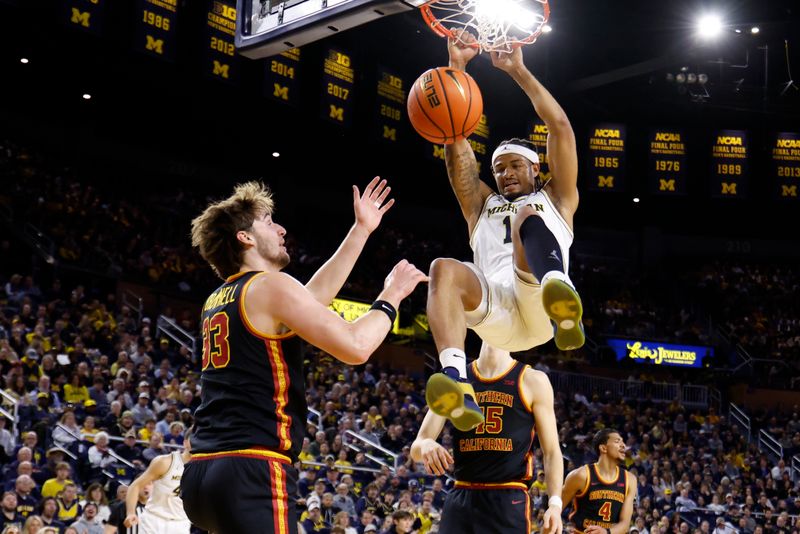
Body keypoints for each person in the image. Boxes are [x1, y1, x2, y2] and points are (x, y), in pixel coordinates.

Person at [181, 180, 427, 534]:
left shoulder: (221, 297)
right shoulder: (270, 286)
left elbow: (311, 299)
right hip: (251, 468)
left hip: (202, 472)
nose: (280, 228)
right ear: (245, 237)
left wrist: (360, 231)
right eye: (267, 221)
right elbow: (356, 346)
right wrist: (391, 296)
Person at [423, 29, 584, 431]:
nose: (505, 173)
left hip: (537, 304)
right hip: (496, 314)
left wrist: (518, 71)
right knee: (443, 268)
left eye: (515, 165)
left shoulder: (557, 198)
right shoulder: (481, 205)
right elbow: (457, 149)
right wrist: (456, 68)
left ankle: (561, 296)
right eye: (498, 168)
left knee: (528, 218)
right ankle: (457, 379)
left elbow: (561, 127)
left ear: (536, 168)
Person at [411, 343, 563, 534]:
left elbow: (551, 452)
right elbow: (416, 448)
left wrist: (555, 504)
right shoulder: (455, 379)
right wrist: (426, 443)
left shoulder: (533, 380)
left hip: (507, 497)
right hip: (462, 494)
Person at [562, 429, 637, 534]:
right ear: (603, 448)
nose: (623, 445)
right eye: (617, 441)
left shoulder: (630, 479)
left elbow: (624, 525)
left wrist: (606, 532)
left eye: (623, 441)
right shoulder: (581, 475)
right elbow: (554, 509)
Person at [124, 436, 192, 533]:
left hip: (181, 523)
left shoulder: (204, 468)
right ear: (185, 443)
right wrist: (130, 513)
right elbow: (135, 485)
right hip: (154, 520)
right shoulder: (165, 461)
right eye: (194, 439)